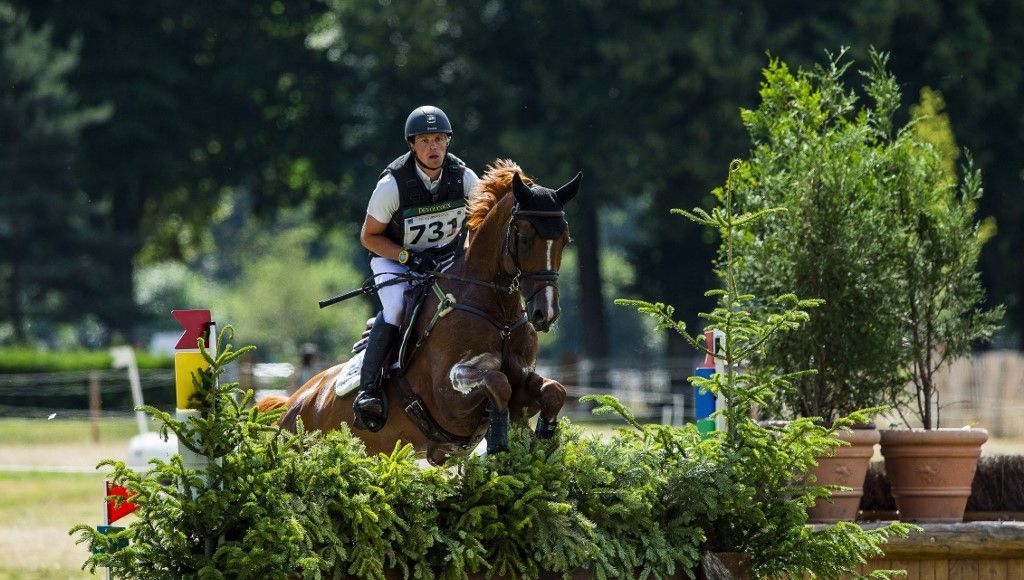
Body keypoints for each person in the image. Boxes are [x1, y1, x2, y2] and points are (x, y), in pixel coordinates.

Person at [352, 105, 480, 432]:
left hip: (446, 260)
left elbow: (483, 223)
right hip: (395, 259)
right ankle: (369, 390)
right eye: (425, 140)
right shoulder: (392, 185)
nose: (433, 147)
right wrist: (407, 257)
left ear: (448, 142)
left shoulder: (465, 178)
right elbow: (369, 236)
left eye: (439, 139)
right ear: (412, 145)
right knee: (395, 309)